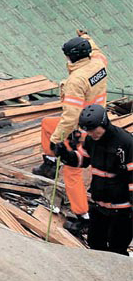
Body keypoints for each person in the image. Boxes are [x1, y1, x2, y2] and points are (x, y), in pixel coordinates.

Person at [32, 30, 108, 236]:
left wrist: (57, 140)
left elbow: (70, 117)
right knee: (48, 123)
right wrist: (87, 37)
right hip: (98, 119)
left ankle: (84, 218)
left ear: (72, 57)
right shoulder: (99, 63)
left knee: (72, 173)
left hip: (82, 129)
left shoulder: (76, 80)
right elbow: (98, 50)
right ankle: (48, 163)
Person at [53, 104, 132, 256]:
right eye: (87, 130)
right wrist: (66, 154)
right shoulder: (91, 140)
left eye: (93, 129)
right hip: (100, 205)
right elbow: (82, 160)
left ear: (103, 123)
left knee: (117, 248)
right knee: (95, 244)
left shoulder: (125, 142)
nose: (90, 133)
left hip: (121, 209)